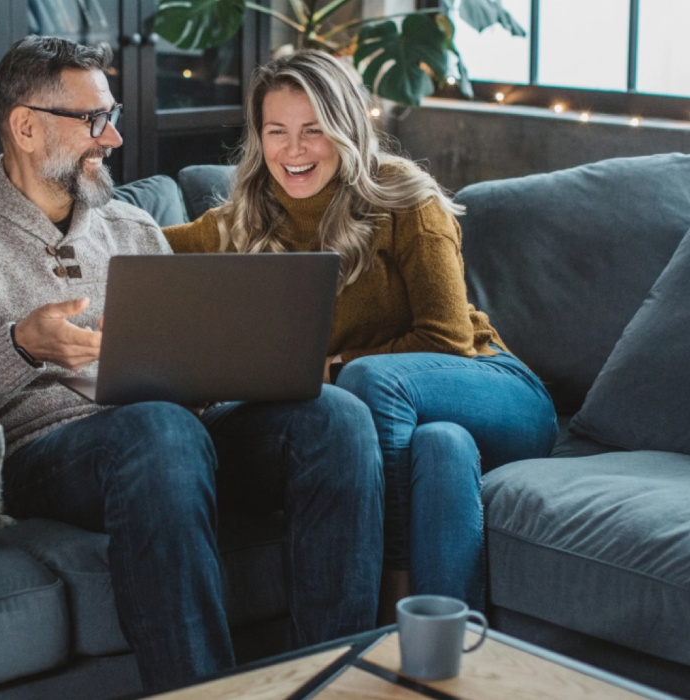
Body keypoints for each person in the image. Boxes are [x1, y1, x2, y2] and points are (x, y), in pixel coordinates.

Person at [0, 37, 385, 693]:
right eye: (92, 120)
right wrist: (21, 346)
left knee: (335, 416)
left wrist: (222, 373)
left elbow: (181, 366)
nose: (111, 137)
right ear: (26, 127)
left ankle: (336, 684)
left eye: (110, 116)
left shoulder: (134, 228)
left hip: (172, 434)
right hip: (44, 454)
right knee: (157, 429)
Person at [163, 50, 558, 614]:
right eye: (277, 131)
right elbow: (141, 250)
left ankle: (388, 590)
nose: (293, 150)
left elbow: (447, 339)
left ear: (346, 128)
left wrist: (335, 368)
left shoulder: (402, 196)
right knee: (441, 447)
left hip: (495, 389)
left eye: (314, 131)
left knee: (372, 380)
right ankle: (447, 654)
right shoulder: (244, 218)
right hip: (424, 424)